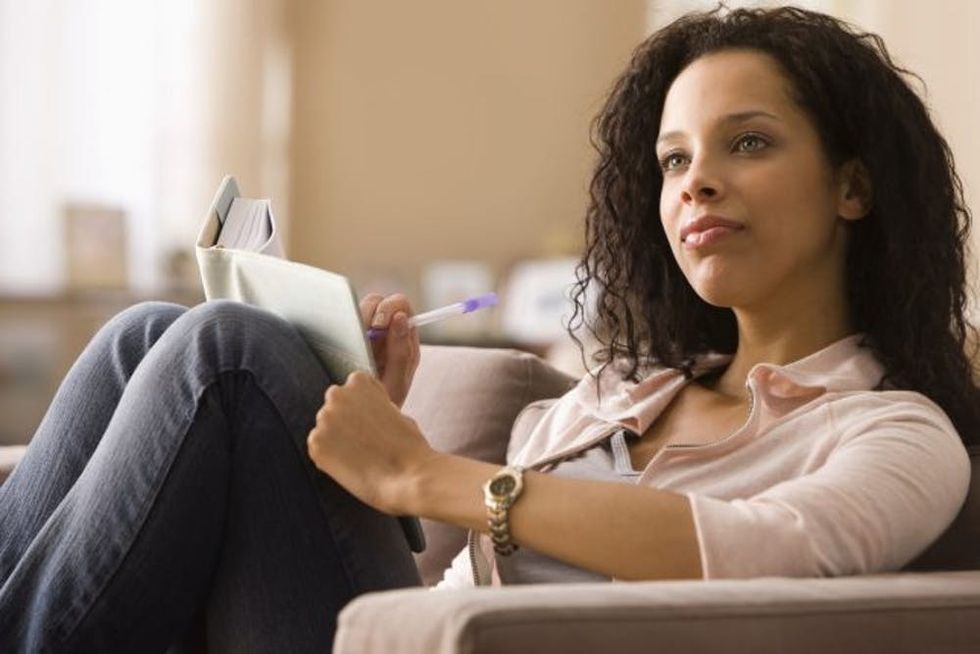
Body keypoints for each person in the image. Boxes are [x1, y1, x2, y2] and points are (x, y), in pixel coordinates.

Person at [0, 4, 974, 651]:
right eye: (674, 161)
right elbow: (448, 590)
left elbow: (769, 552)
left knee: (230, 350)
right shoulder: (620, 392)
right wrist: (365, 443)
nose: (696, 183)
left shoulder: (897, 432)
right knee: (145, 335)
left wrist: (423, 473)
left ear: (853, 186)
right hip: (401, 632)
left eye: (747, 143)